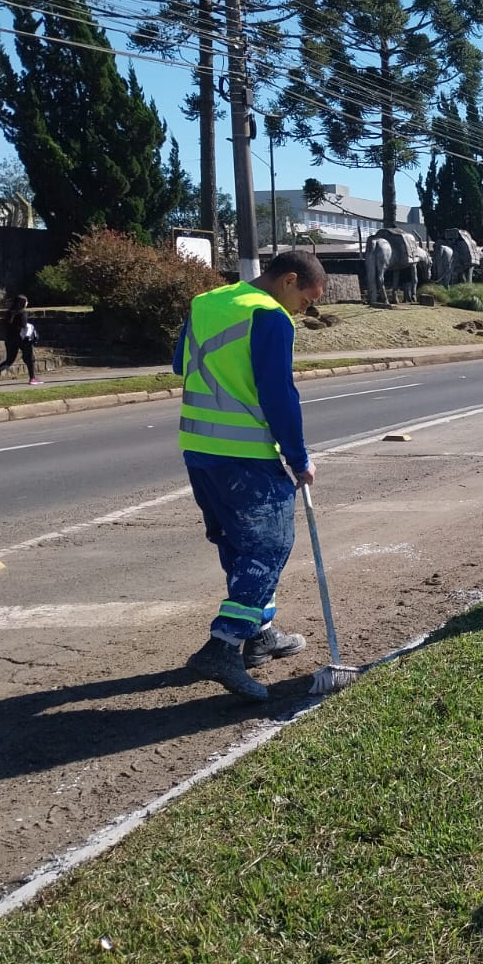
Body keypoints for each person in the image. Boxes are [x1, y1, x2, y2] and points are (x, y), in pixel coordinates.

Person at [176, 250, 327, 701]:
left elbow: (179, 363)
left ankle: (259, 634)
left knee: (240, 548)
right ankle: (223, 645)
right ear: (289, 281)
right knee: (269, 545)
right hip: (245, 455)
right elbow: (279, 394)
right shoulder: (270, 317)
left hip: (199, 449)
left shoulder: (206, 303)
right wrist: (298, 458)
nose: (303, 310)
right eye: (306, 300)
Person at [0, 294, 41, 386]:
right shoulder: (23, 313)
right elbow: (23, 325)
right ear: (22, 303)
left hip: (9, 339)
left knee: (9, 360)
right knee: (30, 358)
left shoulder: (9, 313)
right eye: (26, 301)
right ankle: (32, 378)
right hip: (22, 339)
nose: (27, 303)